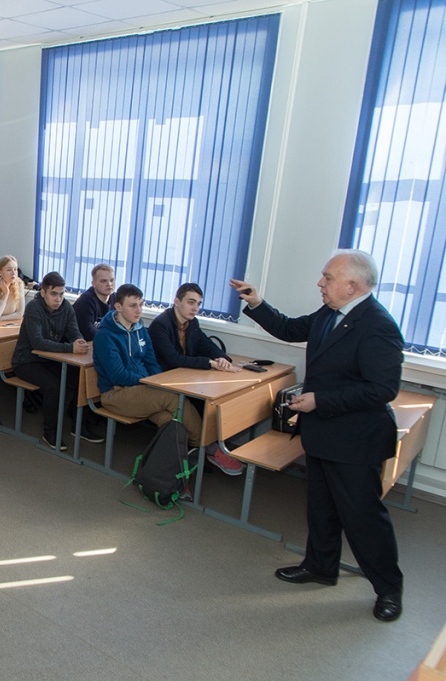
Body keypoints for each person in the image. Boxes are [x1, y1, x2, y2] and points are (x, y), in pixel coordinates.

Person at [231, 249, 405, 622]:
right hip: (324, 432)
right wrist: (257, 302)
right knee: (321, 508)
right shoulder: (331, 313)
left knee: (362, 516)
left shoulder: (378, 326)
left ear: (352, 285)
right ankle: (321, 566)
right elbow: (291, 329)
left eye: (327, 278)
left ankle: (389, 587)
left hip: (356, 439)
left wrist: (320, 400)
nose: (320, 284)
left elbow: (382, 389)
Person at [93, 284, 202, 459]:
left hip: (141, 390)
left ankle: (180, 462)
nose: (139, 310)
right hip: (116, 393)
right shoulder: (106, 336)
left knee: (170, 420)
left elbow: (152, 361)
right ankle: (204, 446)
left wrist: (155, 380)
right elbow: (117, 375)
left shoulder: (140, 329)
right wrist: (149, 382)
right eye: (133, 305)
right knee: (172, 397)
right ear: (118, 307)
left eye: (141, 304)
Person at [147, 282, 241, 473]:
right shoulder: (161, 325)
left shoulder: (192, 323)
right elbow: (174, 359)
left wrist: (222, 358)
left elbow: (205, 343)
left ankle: (205, 449)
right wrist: (209, 363)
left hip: (183, 377)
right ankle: (206, 449)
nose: (195, 308)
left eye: (198, 304)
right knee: (201, 402)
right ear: (176, 301)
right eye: (191, 302)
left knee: (212, 401)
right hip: (163, 381)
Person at [12, 272, 101, 450]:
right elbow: (37, 342)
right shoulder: (33, 308)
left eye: (61, 294)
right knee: (53, 385)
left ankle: (78, 425)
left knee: (76, 377)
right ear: (43, 292)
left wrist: (79, 341)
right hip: (27, 361)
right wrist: (70, 348)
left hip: (49, 359)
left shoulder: (66, 307)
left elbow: (74, 332)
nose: (58, 299)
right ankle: (50, 432)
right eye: (54, 294)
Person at [73, 263, 117, 341]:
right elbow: (88, 333)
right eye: (103, 281)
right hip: (80, 346)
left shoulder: (116, 298)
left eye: (112, 280)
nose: (109, 284)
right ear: (94, 284)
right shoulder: (86, 301)